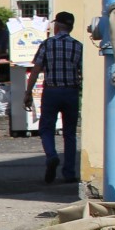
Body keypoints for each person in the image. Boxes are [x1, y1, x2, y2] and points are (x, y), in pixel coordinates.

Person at [23, 11, 83, 184]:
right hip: (71, 92)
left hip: (52, 91)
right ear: (71, 27)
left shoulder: (47, 44)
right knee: (70, 133)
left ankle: (51, 155)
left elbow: (36, 69)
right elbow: (82, 71)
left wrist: (28, 93)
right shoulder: (78, 46)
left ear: (57, 26)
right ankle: (69, 173)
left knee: (46, 128)